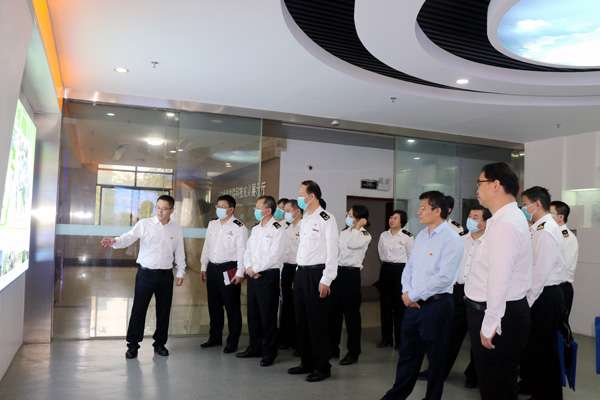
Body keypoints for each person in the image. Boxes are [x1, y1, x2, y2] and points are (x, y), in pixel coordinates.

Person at [381, 191, 463, 400]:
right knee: (407, 356)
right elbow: (409, 267)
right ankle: (396, 396)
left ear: (437, 211)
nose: (419, 212)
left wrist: (414, 295)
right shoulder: (421, 235)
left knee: (436, 359)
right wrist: (406, 292)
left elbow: (444, 277)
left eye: (423, 208)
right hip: (413, 305)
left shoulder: (452, 238)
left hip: (437, 306)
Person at [465, 162, 532, 400]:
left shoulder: (506, 223)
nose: (477, 189)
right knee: (494, 383)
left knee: (496, 386)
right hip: (500, 310)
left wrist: (490, 323)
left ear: (496, 185)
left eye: (480, 183)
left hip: (499, 314)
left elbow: (499, 277)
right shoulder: (502, 219)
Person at [100, 195, 185, 359]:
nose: (160, 211)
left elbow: (179, 251)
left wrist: (181, 271)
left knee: (164, 311)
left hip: (165, 276)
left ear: (172, 210)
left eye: (164, 209)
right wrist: (114, 241)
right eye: (158, 208)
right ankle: (132, 345)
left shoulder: (176, 228)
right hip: (145, 274)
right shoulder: (145, 224)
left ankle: (160, 344)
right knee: (138, 310)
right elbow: (128, 237)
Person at [288, 180, 339, 382]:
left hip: (318, 274)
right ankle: (306, 362)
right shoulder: (306, 218)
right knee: (301, 320)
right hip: (301, 273)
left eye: (301, 194)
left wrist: (327, 279)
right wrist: (297, 274)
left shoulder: (327, 219)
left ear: (312, 196)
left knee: (317, 323)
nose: (299, 198)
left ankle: (322, 367)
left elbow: (333, 251)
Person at [519, 186, 567, 400]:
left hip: (545, 295)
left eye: (525, 204)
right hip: (540, 293)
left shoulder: (546, 230)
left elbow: (540, 271)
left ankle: (548, 395)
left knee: (544, 349)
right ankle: (537, 390)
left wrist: (527, 302)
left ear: (537, 204)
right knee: (536, 348)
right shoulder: (538, 228)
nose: (523, 208)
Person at [444, 205, 491, 388]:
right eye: (470, 216)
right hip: (458, 291)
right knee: (450, 334)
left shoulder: (492, 243)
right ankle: (439, 371)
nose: (470, 220)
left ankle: (474, 376)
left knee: (477, 338)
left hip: (480, 295)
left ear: (486, 222)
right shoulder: (460, 240)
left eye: (476, 217)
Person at [237, 195, 286, 366]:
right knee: (253, 314)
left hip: (268, 276)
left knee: (268, 316)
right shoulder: (256, 229)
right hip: (253, 275)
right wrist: (249, 267)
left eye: (258, 207)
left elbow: (275, 255)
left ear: (268, 210)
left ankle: (269, 352)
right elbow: (248, 251)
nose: (255, 210)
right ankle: (254, 347)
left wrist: (256, 269)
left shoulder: (278, 229)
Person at [200, 195, 248, 353]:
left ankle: (232, 341)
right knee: (214, 306)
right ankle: (215, 337)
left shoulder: (239, 227)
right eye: (217, 206)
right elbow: (207, 246)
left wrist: (240, 272)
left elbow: (242, 252)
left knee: (231, 306)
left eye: (222, 206)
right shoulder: (212, 224)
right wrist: (203, 266)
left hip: (229, 269)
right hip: (213, 268)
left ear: (231, 209)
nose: (219, 209)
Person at [330, 205, 371, 365]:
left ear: (360, 218)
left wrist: (358, 227)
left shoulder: (364, 234)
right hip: (338, 273)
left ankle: (353, 352)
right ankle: (333, 348)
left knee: (351, 316)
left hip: (351, 275)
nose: (348, 217)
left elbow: (353, 244)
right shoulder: (343, 232)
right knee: (334, 314)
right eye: (347, 214)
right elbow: (336, 252)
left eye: (351, 215)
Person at [377, 209, 414, 349]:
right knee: (385, 306)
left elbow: (411, 257)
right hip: (386, 270)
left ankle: (400, 340)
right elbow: (381, 253)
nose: (391, 220)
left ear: (402, 221)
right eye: (391, 217)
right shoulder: (383, 235)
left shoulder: (407, 237)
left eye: (395, 218)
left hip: (401, 271)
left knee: (400, 307)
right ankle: (386, 339)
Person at [279, 199, 302, 351]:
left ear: (297, 211)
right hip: (286, 268)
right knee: (286, 304)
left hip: (298, 268)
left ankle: (297, 342)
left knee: (297, 306)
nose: (285, 214)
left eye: (288, 211)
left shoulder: (304, 227)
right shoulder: (287, 227)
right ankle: (285, 338)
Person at [550, 200, 579, 318]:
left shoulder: (566, 237)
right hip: (553, 286)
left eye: (550, 213)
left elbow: (563, 265)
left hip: (561, 287)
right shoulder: (554, 234)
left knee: (559, 325)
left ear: (560, 217)